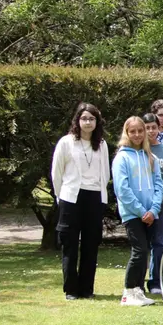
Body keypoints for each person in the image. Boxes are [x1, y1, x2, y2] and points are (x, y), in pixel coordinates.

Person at [51, 103, 110, 300]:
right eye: (84, 118)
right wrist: (60, 197)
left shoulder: (101, 144)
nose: (87, 122)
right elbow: (56, 173)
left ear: (96, 122)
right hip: (71, 198)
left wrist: (102, 199)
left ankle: (87, 289)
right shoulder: (66, 142)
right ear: (77, 120)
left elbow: (105, 173)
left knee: (90, 245)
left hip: (94, 197)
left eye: (91, 119)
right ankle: (71, 290)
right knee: (70, 245)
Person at [113, 116, 163, 307]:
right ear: (126, 133)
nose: (136, 134)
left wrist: (154, 209)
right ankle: (128, 292)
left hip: (151, 213)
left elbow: (159, 185)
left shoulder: (151, 157)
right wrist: (142, 211)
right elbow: (122, 189)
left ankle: (138, 291)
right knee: (139, 250)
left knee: (146, 252)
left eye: (140, 131)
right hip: (133, 213)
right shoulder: (122, 157)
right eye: (132, 131)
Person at [143, 113, 163, 294]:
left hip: (162, 206)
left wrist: (161, 203)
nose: (151, 131)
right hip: (142, 207)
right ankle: (137, 281)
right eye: (147, 127)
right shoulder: (138, 151)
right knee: (141, 245)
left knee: (159, 243)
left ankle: (155, 282)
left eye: (154, 127)